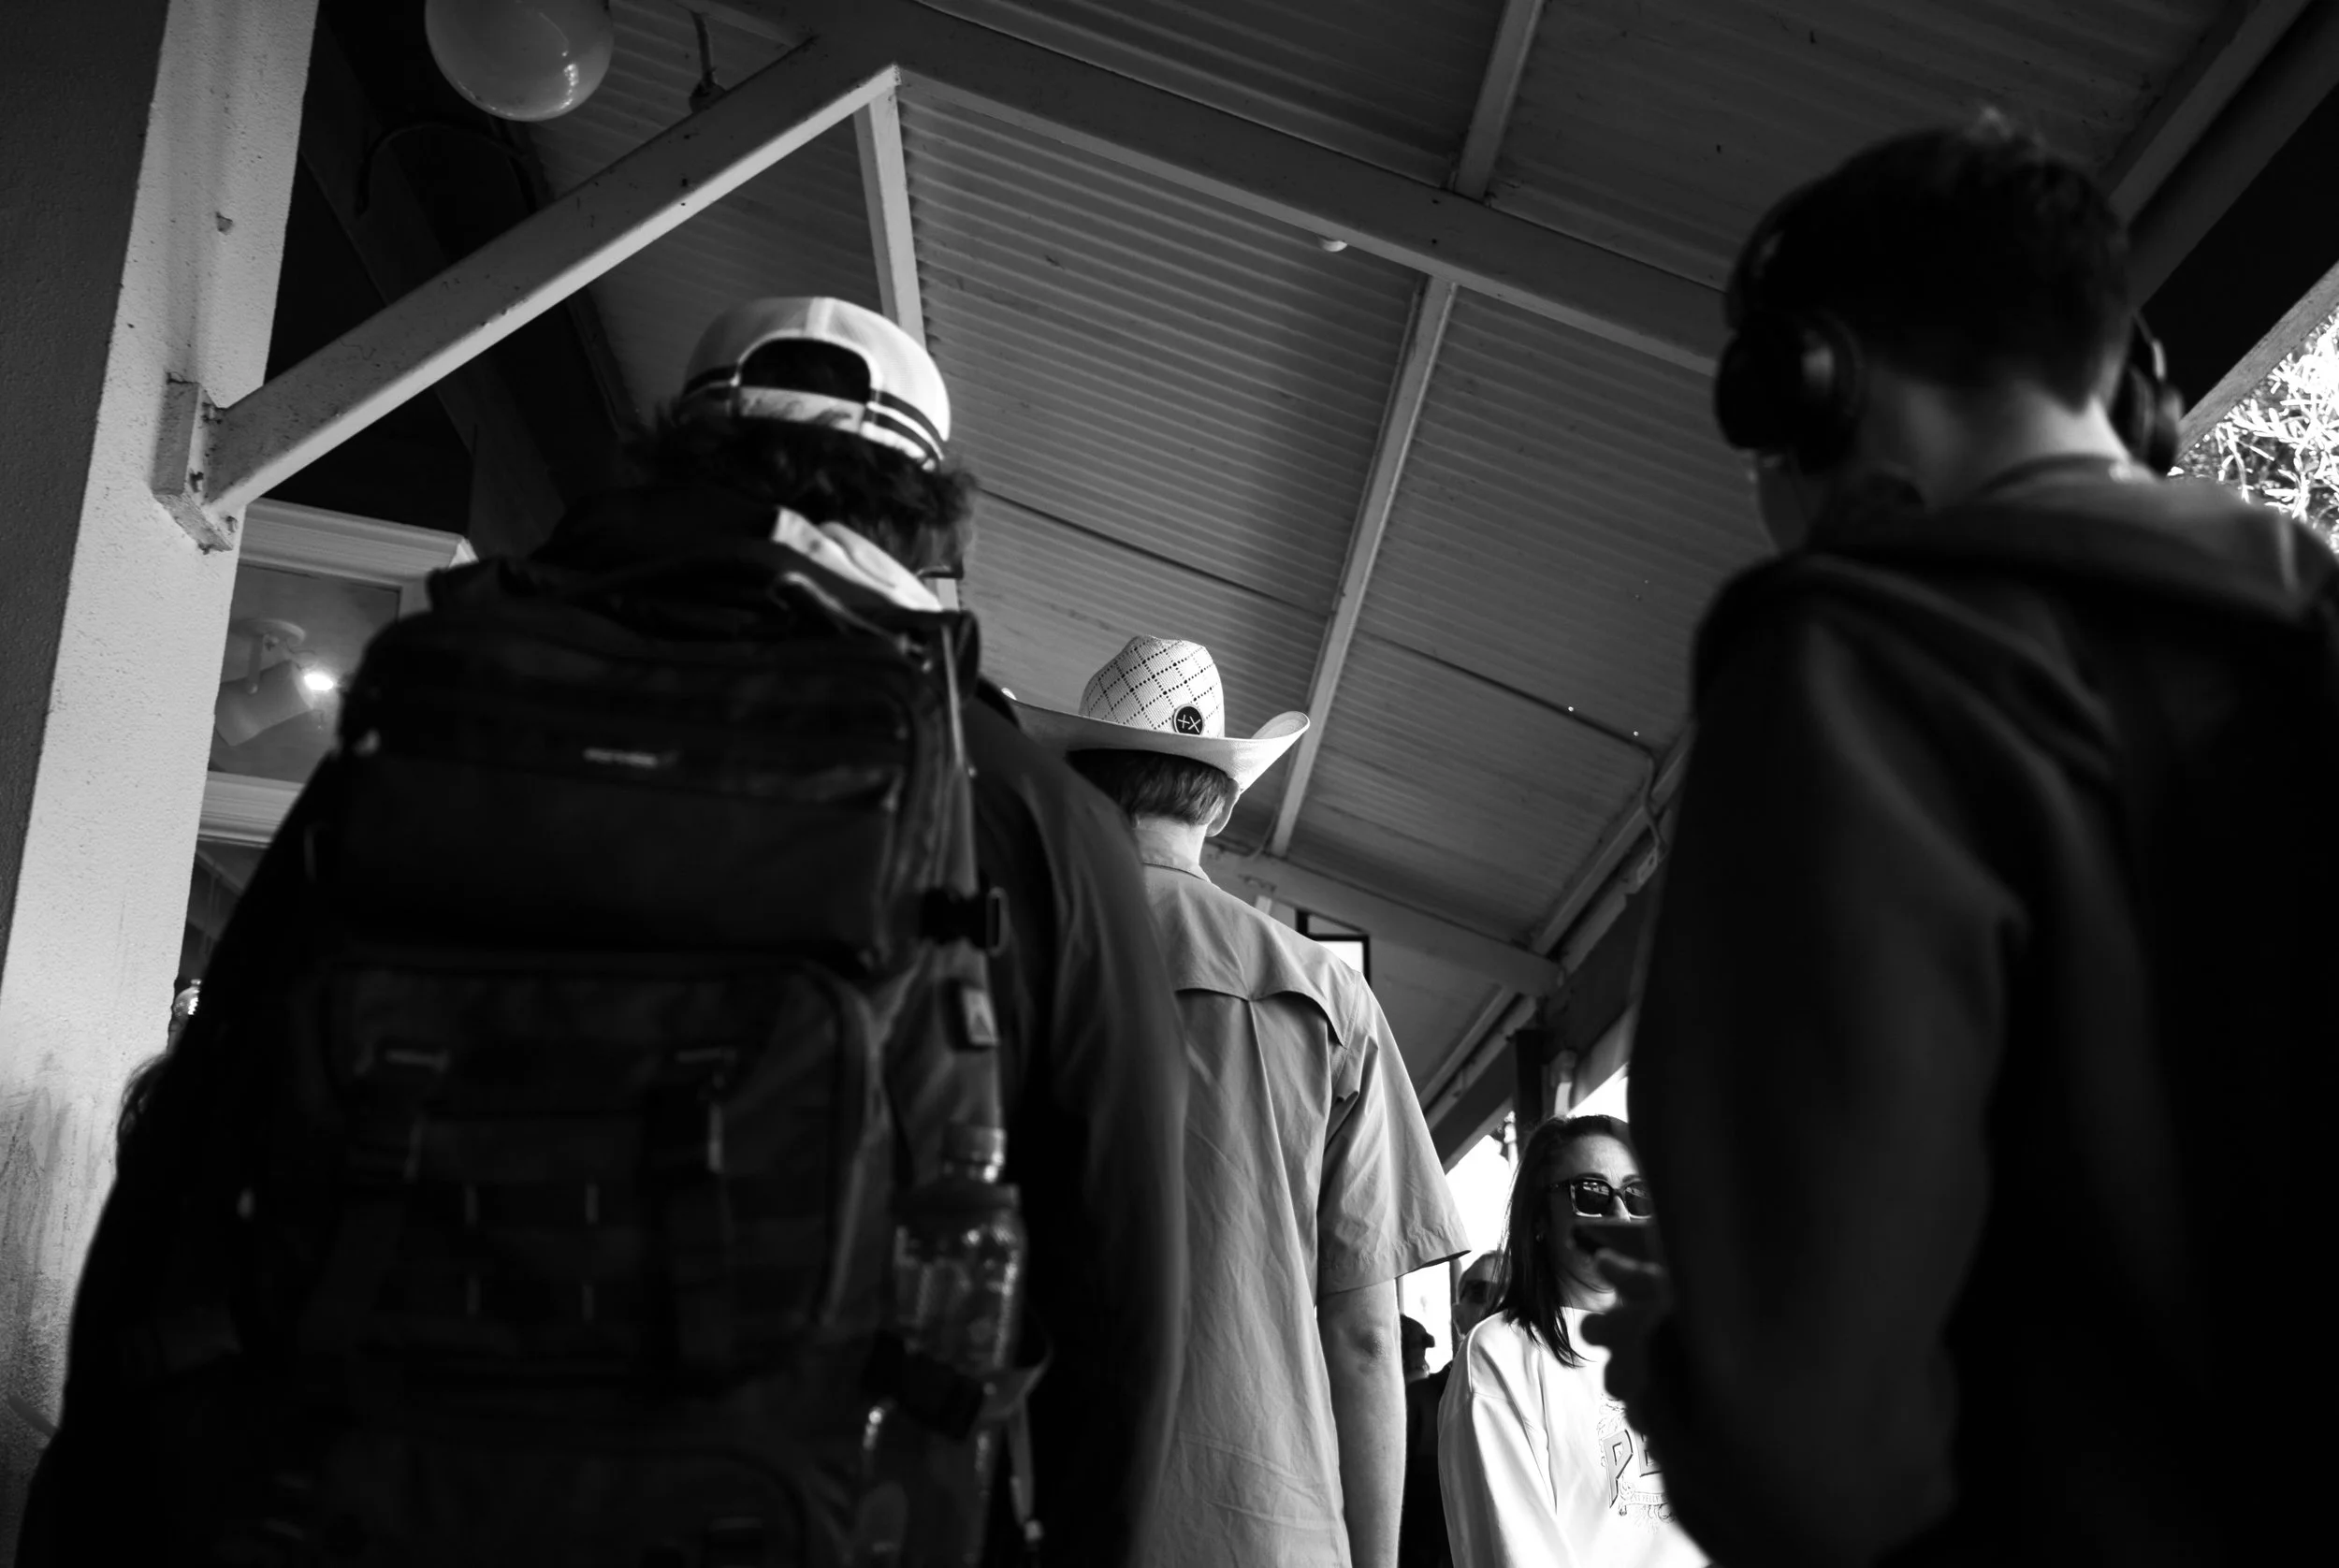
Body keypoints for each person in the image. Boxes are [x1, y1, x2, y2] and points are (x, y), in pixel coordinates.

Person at [29, 298, 1191, 1568]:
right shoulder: (1032, 813)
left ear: (671, 459)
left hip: (360, 1505)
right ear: (929, 522)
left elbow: (186, 1162)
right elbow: (1119, 1304)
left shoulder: (439, 711)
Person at [1584, 117, 2330, 1568]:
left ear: (1809, 387)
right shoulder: (2305, 644)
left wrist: (1690, 1362)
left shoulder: (1854, 677)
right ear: (2136, 387)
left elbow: (1814, 1455)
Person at [1017, 638, 1470, 1568]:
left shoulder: (1009, 953)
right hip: (1269, 1520)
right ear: (1222, 800)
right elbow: (1364, 1332)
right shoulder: (1331, 994)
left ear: (1083, 787)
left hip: (1040, 1501)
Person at [1439, 1116, 1702, 1568]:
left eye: (1638, 1195)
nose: (1619, 1215)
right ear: (1539, 1218)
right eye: (1592, 1194)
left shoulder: (1683, 1344)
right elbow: (1516, 1550)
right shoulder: (1500, 1353)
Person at [1398, 1254, 1505, 1568]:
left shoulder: (1547, 1399)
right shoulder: (1415, 1404)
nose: (1502, 1304)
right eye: (1485, 1292)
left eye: (1517, 1293)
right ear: (1458, 1316)